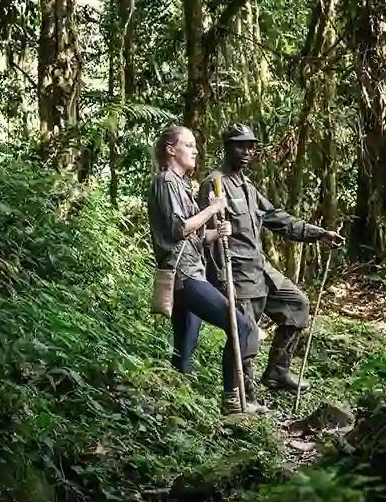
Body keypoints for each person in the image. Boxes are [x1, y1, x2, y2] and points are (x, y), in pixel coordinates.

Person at [197, 123, 344, 397]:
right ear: (227, 147)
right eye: (240, 145)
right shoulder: (215, 184)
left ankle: (278, 371)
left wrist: (319, 234)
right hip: (236, 272)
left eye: (251, 146)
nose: (247, 151)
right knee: (245, 334)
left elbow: (277, 219)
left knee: (297, 305)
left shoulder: (248, 186)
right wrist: (219, 277)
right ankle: (243, 397)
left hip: (260, 267)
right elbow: (206, 235)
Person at [146, 124, 268, 415]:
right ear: (171, 149)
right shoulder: (165, 181)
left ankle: (174, 414)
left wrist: (216, 232)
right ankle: (231, 400)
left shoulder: (180, 184)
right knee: (240, 324)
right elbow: (178, 229)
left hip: (191, 270)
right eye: (188, 145)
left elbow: (195, 236)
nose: (195, 150)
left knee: (183, 352)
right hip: (184, 275)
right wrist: (213, 209)